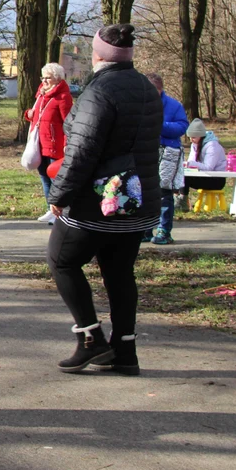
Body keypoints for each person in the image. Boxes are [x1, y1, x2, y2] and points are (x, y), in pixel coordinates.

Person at [46, 23, 161, 376]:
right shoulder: (146, 88)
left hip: (100, 201)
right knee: (119, 272)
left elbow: (81, 151)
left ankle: (91, 339)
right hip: (138, 198)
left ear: (98, 54)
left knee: (61, 259)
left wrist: (60, 194)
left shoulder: (99, 92)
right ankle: (125, 350)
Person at [25, 62, 74, 225]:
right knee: (44, 178)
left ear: (58, 78)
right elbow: (38, 116)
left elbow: (69, 122)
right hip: (40, 144)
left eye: (48, 78)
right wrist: (29, 115)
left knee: (57, 180)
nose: (44, 81)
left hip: (55, 145)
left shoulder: (63, 97)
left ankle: (61, 212)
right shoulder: (41, 94)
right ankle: (50, 209)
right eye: (43, 77)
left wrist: (67, 143)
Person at [147, 74, 189, 245]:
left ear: (160, 89)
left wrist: (160, 125)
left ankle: (164, 229)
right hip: (146, 151)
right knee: (144, 191)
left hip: (168, 151)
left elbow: (182, 126)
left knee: (164, 192)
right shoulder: (140, 103)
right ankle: (145, 228)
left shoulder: (173, 105)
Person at [183, 118, 228, 195]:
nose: (191, 140)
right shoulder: (195, 145)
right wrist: (186, 166)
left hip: (216, 179)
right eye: (189, 137)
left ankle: (183, 200)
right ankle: (180, 198)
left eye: (193, 137)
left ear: (201, 136)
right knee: (180, 175)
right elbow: (192, 161)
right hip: (203, 175)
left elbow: (208, 167)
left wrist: (190, 164)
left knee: (184, 178)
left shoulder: (212, 146)